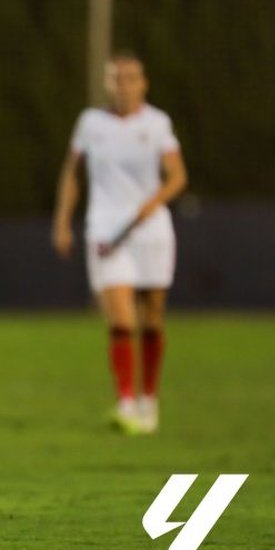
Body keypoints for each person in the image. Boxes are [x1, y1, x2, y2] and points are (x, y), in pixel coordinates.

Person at [51, 51, 188, 434]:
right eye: (116, 78)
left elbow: (177, 176)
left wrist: (152, 204)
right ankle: (126, 402)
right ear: (107, 83)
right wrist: (62, 222)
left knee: (153, 320)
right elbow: (72, 172)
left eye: (131, 77)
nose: (124, 85)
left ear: (143, 83)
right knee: (122, 321)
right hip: (105, 231)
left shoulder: (157, 123)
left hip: (151, 231)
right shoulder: (91, 123)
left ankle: (149, 399)